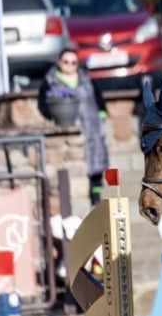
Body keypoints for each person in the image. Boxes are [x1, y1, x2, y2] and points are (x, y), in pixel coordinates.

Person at [38, 48, 109, 207]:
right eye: (66, 62)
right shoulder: (51, 81)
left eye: (73, 62)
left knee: (96, 162)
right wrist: (54, 116)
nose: (70, 65)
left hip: (92, 126)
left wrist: (102, 115)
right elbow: (42, 104)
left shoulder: (87, 78)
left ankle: (95, 194)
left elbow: (99, 98)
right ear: (59, 62)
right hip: (68, 129)